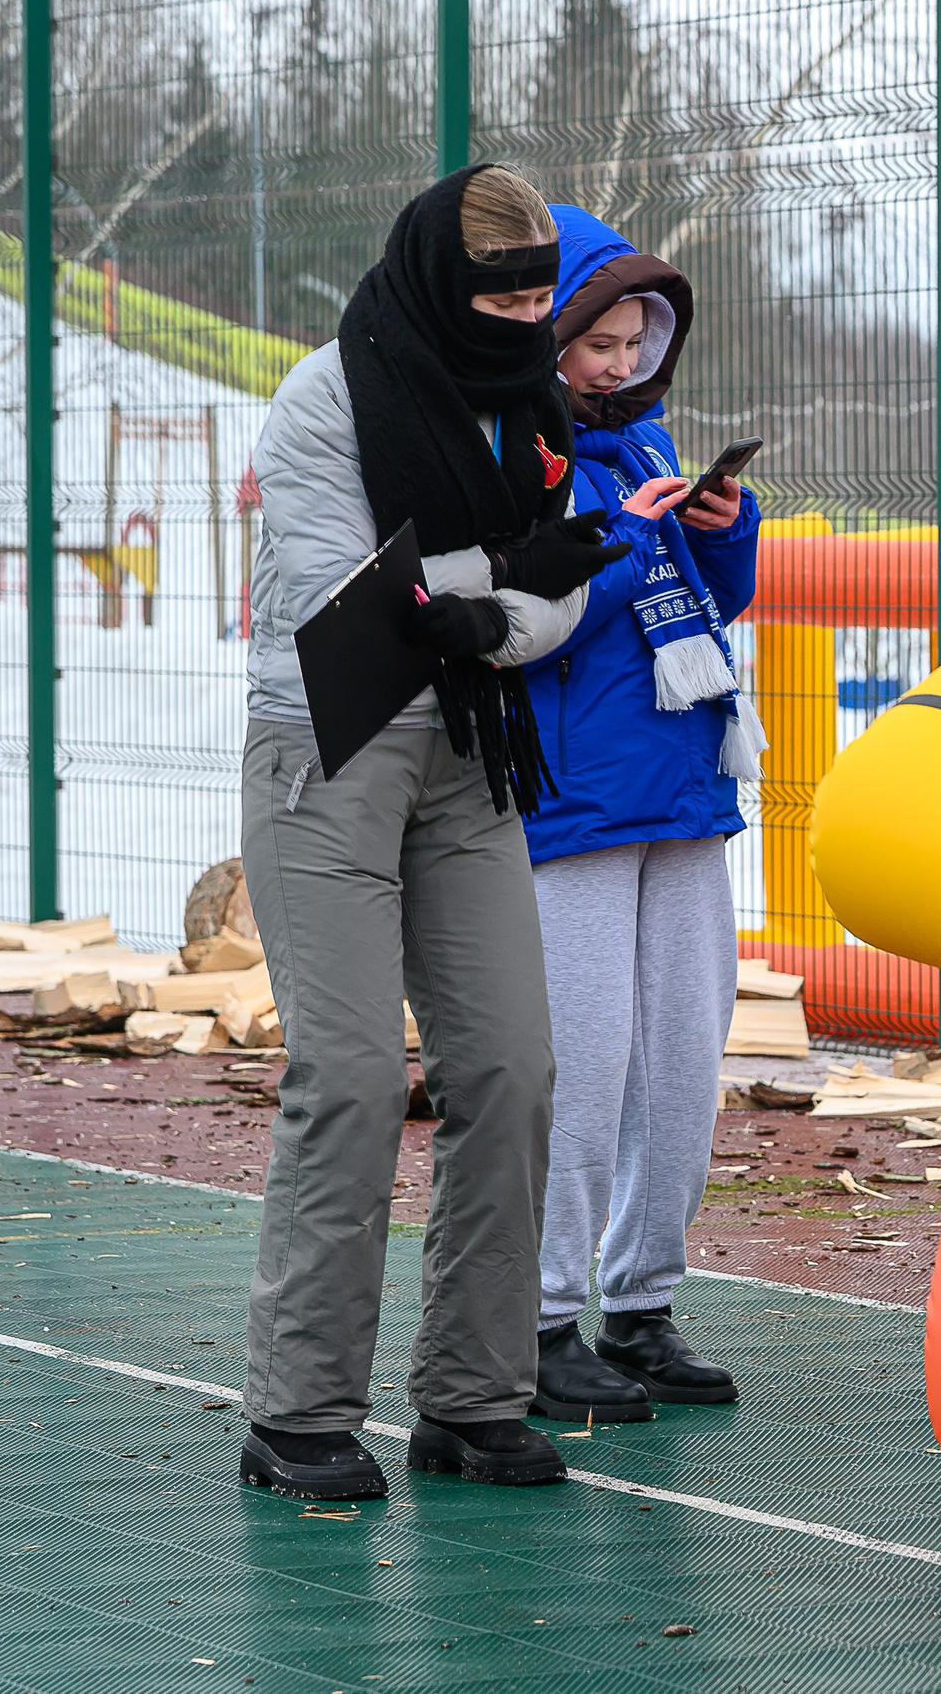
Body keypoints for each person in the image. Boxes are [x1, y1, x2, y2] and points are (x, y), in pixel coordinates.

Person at [235, 164, 621, 1501]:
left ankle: (471, 1394)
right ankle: (295, 1414)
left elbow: (561, 591)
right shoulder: (323, 399)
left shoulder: (532, 400)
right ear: (437, 286)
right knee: (346, 1078)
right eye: (498, 295)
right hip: (328, 750)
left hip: (470, 748)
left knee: (513, 1067)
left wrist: (509, 599)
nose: (522, 316)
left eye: (536, 294)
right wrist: (510, 577)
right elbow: (363, 597)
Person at [516, 206, 764, 1425]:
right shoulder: (515, 446)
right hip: (573, 800)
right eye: (597, 341)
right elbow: (525, 617)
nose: (619, 363)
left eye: (636, 340)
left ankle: (642, 1303)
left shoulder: (642, 437)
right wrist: (623, 537)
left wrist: (724, 532)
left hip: (683, 788)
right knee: (582, 1060)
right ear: (550, 334)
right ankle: (543, 1316)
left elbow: (712, 604)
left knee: (680, 1058)